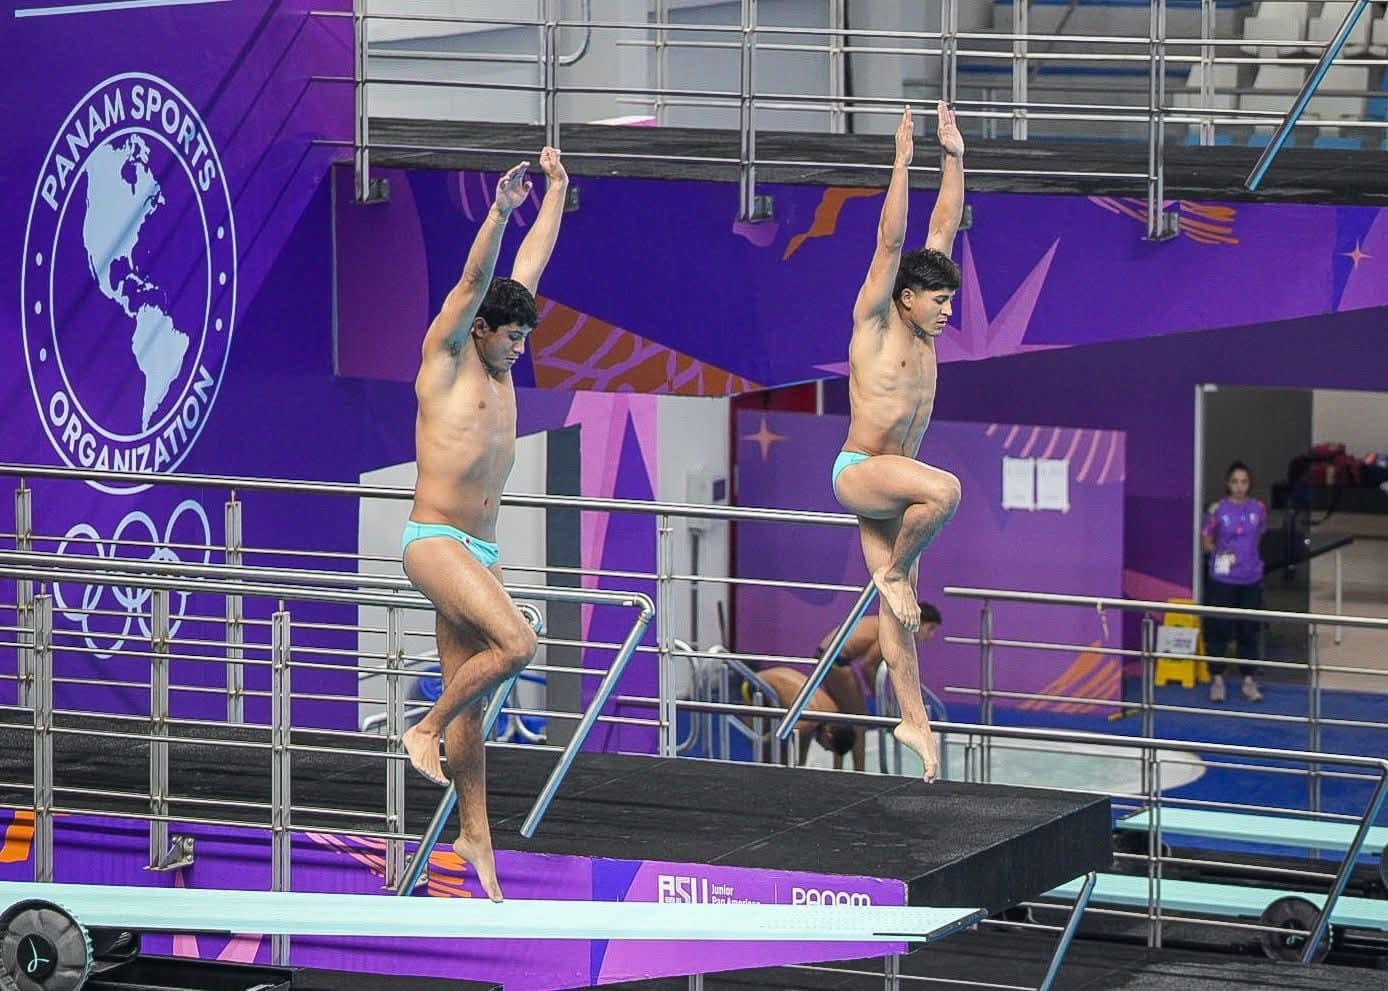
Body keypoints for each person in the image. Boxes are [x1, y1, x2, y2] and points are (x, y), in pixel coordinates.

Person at [398, 148, 570, 902]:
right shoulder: (447, 355)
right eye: (510, 339)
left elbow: (530, 267)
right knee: (518, 644)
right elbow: (477, 281)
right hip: (434, 540)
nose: (518, 350)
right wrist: (499, 211)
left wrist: (556, 191)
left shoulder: (504, 350)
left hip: (481, 546)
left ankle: (474, 833)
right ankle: (422, 728)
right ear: (478, 332)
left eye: (525, 339)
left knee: (473, 695)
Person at [830, 102, 965, 782]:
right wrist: (902, 163)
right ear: (907, 296)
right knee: (945, 491)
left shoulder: (925, 314)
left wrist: (955, 156)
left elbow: (944, 225)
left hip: (893, 482)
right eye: (939, 301)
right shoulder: (876, 322)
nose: (948, 311)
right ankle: (893, 569)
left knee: (901, 615)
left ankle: (916, 723)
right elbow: (892, 243)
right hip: (861, 470)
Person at [817, 602, 942, 772]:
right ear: (918, 622)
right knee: (859, 720)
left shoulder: (890, 624)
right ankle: (859, 773)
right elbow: (868, 665)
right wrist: (882, 702)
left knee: (844, 719)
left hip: (828, 656)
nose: (931, 636)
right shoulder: (894, 630)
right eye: (930, 628)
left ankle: (838, 770)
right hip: (834, 659)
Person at [1201, 460, 1267, 704]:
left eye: (1244, 482)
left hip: (1250, 578)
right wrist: (1221, 555)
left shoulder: (1258, 508)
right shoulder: (1217, 509)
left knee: (1248, 629)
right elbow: (1206, 541)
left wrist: (1248, 559)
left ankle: (1249, 680)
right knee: (1219, 628)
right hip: (1223, 579)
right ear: (1227, 484)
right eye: (1235, 482)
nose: (1240, 486)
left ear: (1250, 484)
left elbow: (1258, 537)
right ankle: (1217, 680)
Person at [752, 666, 857, 769]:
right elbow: (773, 739)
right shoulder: (809, 719)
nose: (824, 749)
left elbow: (804, 739)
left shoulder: (830, 709)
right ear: (829, 736)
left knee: (792, 742)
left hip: (767, 676)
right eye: (828, 749)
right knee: (772, 749)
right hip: (754, 686)